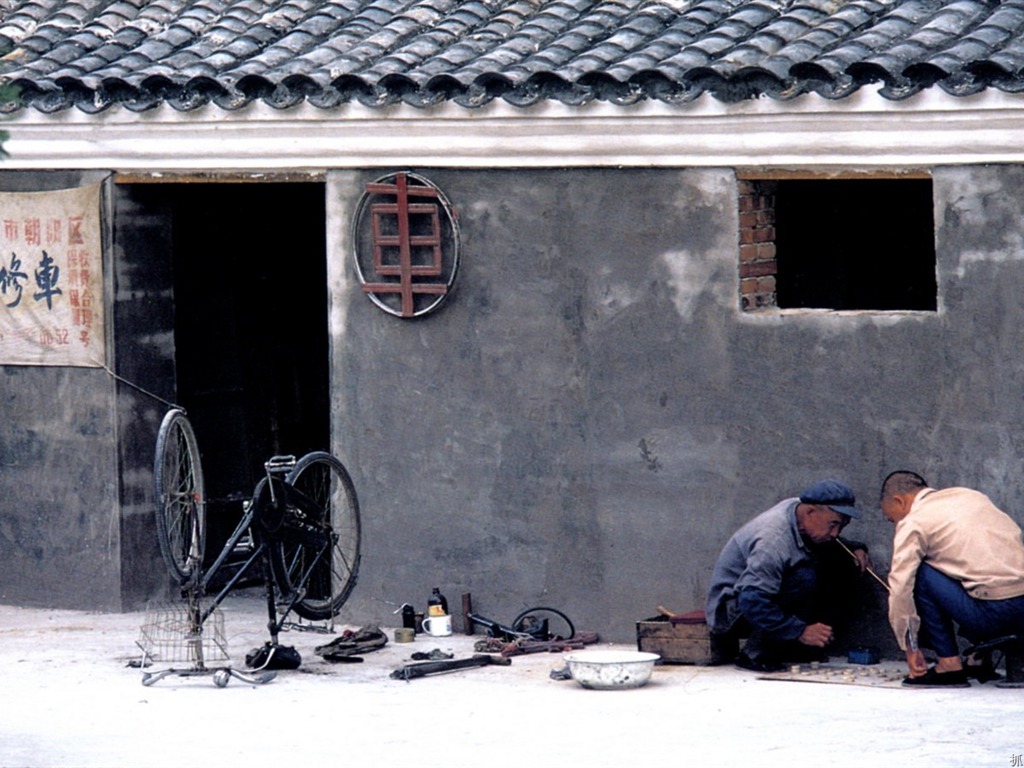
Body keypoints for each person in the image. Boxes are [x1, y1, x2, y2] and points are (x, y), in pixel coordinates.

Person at [706, 479, 869, 672]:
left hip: (756, 596)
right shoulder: (773, 542)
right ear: (810, 512)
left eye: (841, 527)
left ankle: (789, 646)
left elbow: (831, 539)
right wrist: (800, 631)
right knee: (803, 576)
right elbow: (752, 600)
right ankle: (754, 652)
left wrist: (854, 549)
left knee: (833, 562)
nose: (835, 533)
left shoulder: (800, 509)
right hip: (734, 612)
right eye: (832, 525)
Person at [880, 470, 1024, 687]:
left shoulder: (914, 521)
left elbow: (900, 586)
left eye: (892, 519)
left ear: (899, 501)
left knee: (919, 572)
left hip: (996, 613)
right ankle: (978, 660)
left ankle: (949, 665)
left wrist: (910, 646)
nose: (895, 524)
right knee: (961, 563)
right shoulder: (970, 496)